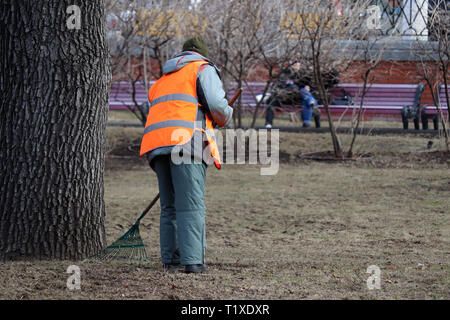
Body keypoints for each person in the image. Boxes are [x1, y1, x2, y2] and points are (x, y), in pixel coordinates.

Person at [139, 36, 233, 274]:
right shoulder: (202, 68)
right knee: (190, 204)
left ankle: (170, 260)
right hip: (187, 143)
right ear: (202, 54)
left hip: (157, 145)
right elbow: (216, 104)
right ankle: (192, 261)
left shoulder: (162, 79)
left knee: (170, 206)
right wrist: (225, 116)